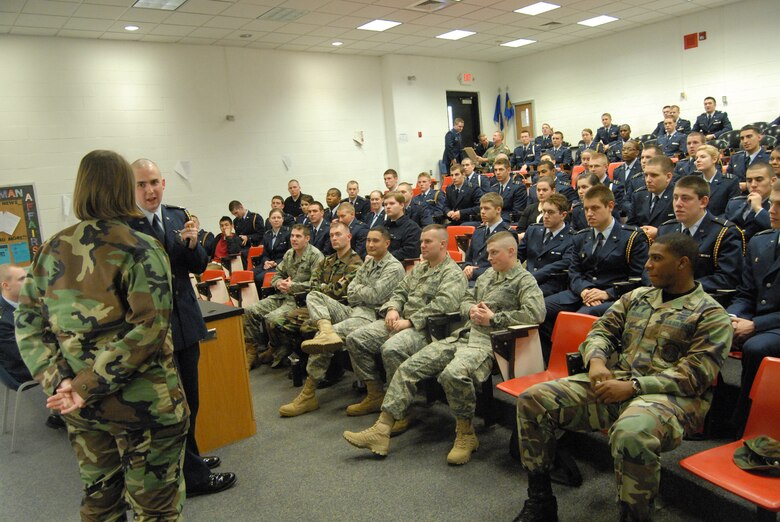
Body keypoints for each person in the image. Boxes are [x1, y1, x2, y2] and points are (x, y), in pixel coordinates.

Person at [15, 150, 191, 520]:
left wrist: (62, 383)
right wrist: (82, 387)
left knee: (101, 505)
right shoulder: (140, 248)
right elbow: (149, 329)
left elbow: (28, 325)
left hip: (83, 410)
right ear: (124, 188)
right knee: (155, 511)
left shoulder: (49, 251)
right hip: (145, 408)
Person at [513, 232, 732, 522]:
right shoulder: (637, 297)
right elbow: (601, 331)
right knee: (533, 400)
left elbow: (695, 375)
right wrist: (597, 361)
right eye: (649, 258)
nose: (647, 265)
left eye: (657, 259)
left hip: (673, 399)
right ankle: (540, 501)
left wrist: (633, 386)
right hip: (617, 382)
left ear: (682, 264)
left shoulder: (710, 314)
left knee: (632, 433)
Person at [344, 232, 545, 464]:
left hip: (491, 343)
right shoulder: (488, 275)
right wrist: (470, 309)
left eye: (494, 253)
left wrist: (495, 318)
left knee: (452, 374)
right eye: (488, 253)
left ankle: (466, 434)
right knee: (408, 367)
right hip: (462, 336)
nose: (488, 258)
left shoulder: (524, 280)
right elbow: (465, 299)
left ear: (511, 252)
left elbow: (536, 314)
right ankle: (382, 429)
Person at [130, 158, 235, 497]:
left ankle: (191, 460)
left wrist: (191, 244)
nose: (150, 190)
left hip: (186, 321)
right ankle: (194, 478)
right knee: (173, 407)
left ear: (163, 183)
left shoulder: (176, 216)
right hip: (154, 330)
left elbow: (199, 265)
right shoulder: (125, 227)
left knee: (192, 399)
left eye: (154, 183)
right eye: (141, 184)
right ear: (131, 188)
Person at [278, 227, 405, 417]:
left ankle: (310, 394)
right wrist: (362, 291)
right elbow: (350, 293)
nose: (370, 244)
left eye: (375, 241)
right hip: (354, 310)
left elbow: (375, 296)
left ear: (387, 243)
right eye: (368, 240)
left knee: (322, 337)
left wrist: (359, 291)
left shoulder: (393, 267)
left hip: (371, 316)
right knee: (314, 296)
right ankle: (326, 330)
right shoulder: (369, 263)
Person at [343, 225, 467, 418]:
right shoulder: (420, 268)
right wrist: (393, 309)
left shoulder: (452, 273)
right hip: (401, 321)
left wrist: (409, 322)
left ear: (443, 244)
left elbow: (443, 305)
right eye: (421, 241)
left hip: (428, 330)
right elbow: (400, 291)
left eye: (428, 241)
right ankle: (375, 393)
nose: (422, 245)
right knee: (356, 339)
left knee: (392, 348)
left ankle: (401, 410)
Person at [541, 184, 649, 358]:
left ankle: (576, 364)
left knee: (582, 316)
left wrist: (607, 293)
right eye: (586, 209)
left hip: (615, 295)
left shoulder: (632, 237)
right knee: (540, 308)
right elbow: (574, 273)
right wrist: (584, 290)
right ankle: (553, 358)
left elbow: (639, 279)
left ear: (610, 206)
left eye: (595, 208)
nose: (589, 214)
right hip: (582, 293)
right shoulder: (581, 237)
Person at [268, 221, 362, 372]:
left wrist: (322, 288)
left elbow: (338, 291)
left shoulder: (356, 263)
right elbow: (313, 285)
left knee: (307, 327)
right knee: (278, 323)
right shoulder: (327, 260)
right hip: (316, 306)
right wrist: (324, 288)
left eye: (338, 234)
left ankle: (332, 370)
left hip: (339, 309)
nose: (334, 238)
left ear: (349, 237)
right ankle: (301, 358)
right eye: (331, 235)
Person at [726, 179, 780, 435]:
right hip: (756, 318)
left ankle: (746, 423)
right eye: (773, 204)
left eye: (779, 206)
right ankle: (707, 414)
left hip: (773, 324)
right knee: (712, 327)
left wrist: (755, 325)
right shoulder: (761, 241)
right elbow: (745, 292)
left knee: (756, 347)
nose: (771, 210)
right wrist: (733, 317)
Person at [244, 224, 323, 368]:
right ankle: (252, 351)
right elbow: (277, 275)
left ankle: (276, 349)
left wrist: (293, 286)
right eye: (292, 236)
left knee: (271, 319)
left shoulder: (316, 256)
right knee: (250, 310)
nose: (294, 239)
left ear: (307, 238)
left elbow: (316, 285)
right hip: (282, 296)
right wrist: (279, 283)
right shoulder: (289, 254)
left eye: (298, 236)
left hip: (300, 300)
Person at [657, 175, 744, 295]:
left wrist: (683, 286)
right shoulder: (666, 229)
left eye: (685, 198)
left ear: (703, 202)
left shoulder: (724, 233)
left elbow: (728, 278)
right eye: (675, 198)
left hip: (703, 298)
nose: (678, 204)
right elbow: (650, 267)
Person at [518, 193, 574, 297]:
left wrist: (531, 277)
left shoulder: (572, 238)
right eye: (544, 211)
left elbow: (563, 264)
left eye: (550, 212)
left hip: (551, 285)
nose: (545, 216)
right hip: (526, 280)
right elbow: (518, 256)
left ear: (563, 215)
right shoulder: (533, 230)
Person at [462, 192, 515, 283]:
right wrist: (467, 266)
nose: (482, 212)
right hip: (471, 278)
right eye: (481, 208)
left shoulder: (507, 233)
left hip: (494, 282)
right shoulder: (478, 231)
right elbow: (469, 258)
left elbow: (505, 266)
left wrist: (474, 272)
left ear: (498, 209)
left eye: (486, 208)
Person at [627, 155, 677, 241]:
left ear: (668, 177)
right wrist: (640, 232)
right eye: (646, 175)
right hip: (641, 244)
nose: (648, 180)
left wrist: (659, 233)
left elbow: (682, 228)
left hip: (668, 244)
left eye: (654, 175)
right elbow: (630, 225)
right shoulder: (639, 195)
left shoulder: (678, 197)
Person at [725, 162, 774, 241]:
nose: (753, 185)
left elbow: (776, 230)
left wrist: (758, 209)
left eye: (759, 180)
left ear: (773, 181)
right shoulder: (734, 203)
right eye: (749, 181)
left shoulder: (777, 206)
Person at [693, 144, 740, 217]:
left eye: (703, 157)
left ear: (714, 159)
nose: (698, 160)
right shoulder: (694, 182)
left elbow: (732, 211)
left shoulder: (730, 181)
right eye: (696, 158)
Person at [254, 208, 291, 286]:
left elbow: (290, 254)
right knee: (251, 274)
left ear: (282, 219)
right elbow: (264, 254)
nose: (276, 220)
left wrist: (275, 263)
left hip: (282, 265)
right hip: (269, 264)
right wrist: (266, 261)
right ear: (269, 220)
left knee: (260, 278)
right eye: (273, 218)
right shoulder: (267, 234)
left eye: (279, 217)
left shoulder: (288, 233)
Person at [727, 124, 769, 189]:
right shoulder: (735, 158)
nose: (745, 141)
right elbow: (728, 180)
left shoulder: (769, 158)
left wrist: (747, 186)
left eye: (749, 136)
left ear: (759, 137)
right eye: (742, 138)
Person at [383, 191, 421, 261]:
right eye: (385, 204)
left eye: (392, 203)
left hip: (400, 265)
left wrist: (384, 257)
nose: (388, 207)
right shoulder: (383, 226)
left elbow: (410, 252)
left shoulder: (412, 228)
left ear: (401, 205)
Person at [489, 158, 526, 224]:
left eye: (501, 169)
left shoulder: (518, 187)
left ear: (508, 170)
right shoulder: (493, 188)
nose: (497, 173)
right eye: (495, 170)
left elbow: (517, 212)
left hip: (509, 221)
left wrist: (495, 219)